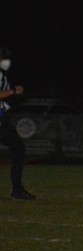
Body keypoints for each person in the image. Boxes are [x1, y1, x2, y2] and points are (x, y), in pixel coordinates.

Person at [0, 47, 35, 200]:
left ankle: (17, 189)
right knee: (18, 148)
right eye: (3, 58)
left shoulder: (3, 76)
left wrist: (15, 97)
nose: (6, 61)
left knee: (18, 148)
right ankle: (17, 189)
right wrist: (13, 91)